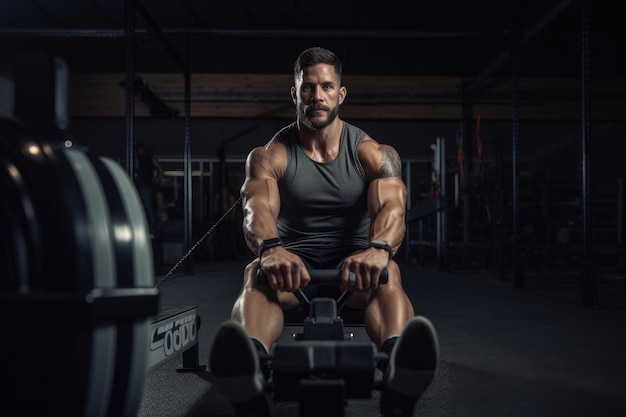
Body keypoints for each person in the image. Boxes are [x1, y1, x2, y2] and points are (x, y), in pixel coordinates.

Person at [209, 47, 439, 417]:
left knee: (388, 271)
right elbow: (257, 209)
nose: (317, 96)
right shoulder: (270, 155)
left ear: (340, 94)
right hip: (294, 271)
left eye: (326, 87)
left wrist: (378, 248)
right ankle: (249, 369)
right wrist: (270, 249)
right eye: (308, 87)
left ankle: (398, 369)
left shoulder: (374, 154)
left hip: (354, 271)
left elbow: (392, 209)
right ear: (295, 93)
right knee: (256, 272)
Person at [133, 142, 163, 236]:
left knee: (147, 206)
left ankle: (153, 227)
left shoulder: (149, 158)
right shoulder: (140, 158)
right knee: (144, 206)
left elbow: (160, 169)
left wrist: (158, 178)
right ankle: (149, 226)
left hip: (145, 184)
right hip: (142, 184)